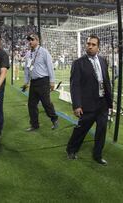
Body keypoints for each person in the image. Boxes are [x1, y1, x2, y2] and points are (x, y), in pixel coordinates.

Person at [66, 35, 113, 165]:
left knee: (101, 130)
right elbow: (75, 85)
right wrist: (77, 105)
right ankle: (71, 149)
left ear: (98, 47)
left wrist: (110, 102)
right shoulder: (79, 63)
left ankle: (97, 155)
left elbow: (106, 82)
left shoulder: (103, 61)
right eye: (88, 44)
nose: (90, 46)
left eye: (93, 44)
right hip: (87, 104)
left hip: (102, 103)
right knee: (81, 129)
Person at [23, 33, 58, 131]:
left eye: (32, 40)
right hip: (34, 82)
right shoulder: (28, 54)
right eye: (29, 40)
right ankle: (34, 125)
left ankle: (54, 119)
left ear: (37, 41)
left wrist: (52, 81)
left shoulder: (44, 52)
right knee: (31, 104)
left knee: (46, 103)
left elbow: (50, 66)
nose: (30, 42)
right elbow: (27, 69)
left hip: (43, 81)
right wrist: (26, 82)